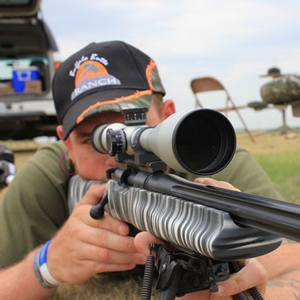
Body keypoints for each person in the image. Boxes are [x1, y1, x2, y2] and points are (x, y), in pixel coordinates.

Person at [0, 41, 299, 299]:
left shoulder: (208, 157)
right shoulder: (48, 176)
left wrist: (266, 291)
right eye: (91, 140)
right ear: (66, 146)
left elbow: (292, 260)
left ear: (168, 116)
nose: (116, 157)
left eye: (136, 127)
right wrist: (48, 263)